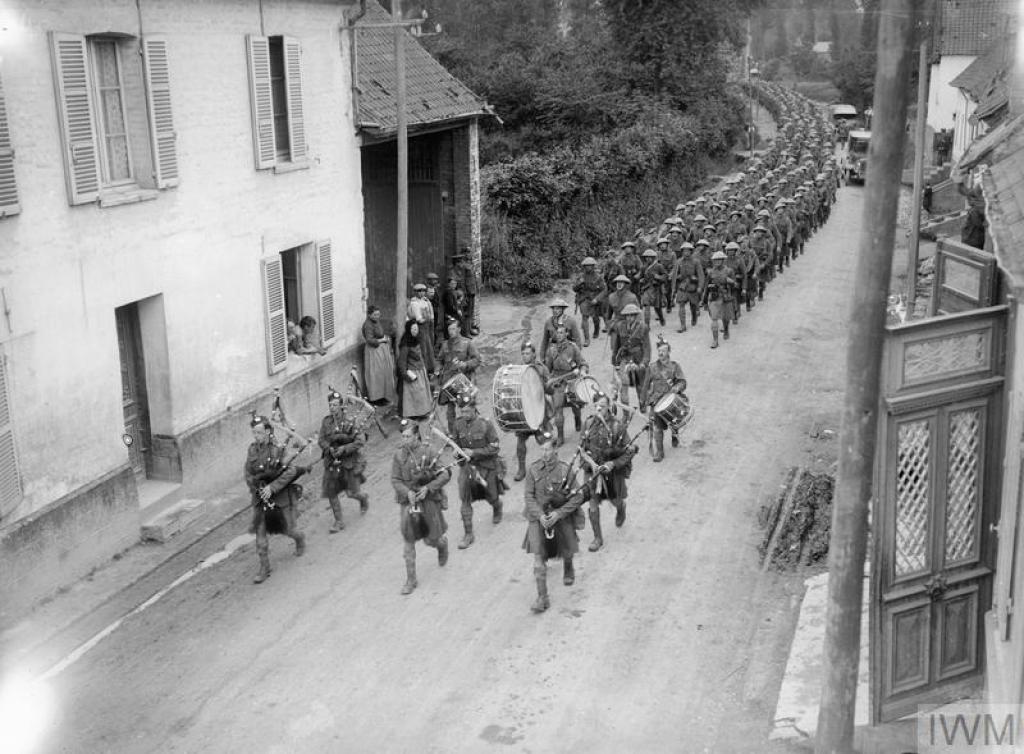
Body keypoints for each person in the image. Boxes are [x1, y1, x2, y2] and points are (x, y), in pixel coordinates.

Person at [522, 434, 587, 613]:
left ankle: (568, 564)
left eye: (548, 449)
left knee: (567, 548)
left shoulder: (565, 470)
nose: (544, 453)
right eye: (542, 449)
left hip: (560, 518)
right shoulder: (533, 469)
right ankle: (543, 598)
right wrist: (539, 515)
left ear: (555, 449)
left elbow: (579, 496)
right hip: (539, 518)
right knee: (538, 560)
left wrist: (559, 513)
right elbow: (528, 495)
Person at [244, 414, 306, 584]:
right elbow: (248, 472)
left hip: (279, 497)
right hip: (260, 498)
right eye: (254, 433)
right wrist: (256, 487)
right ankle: (265, 568)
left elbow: (291, 471)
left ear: (268, 432)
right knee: (260, 536)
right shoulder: (252, 450)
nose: (256, 437)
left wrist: (272, 488)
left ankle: (299, 538)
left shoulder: (278, 450)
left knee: (287, 529)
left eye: (259, 433)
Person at [391, 419, 450, 595]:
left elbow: (445, 474)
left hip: (428, 500)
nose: (404, 439)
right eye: (403, 436)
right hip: (408, 502)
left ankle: (441, 545)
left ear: (416, 435)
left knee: (431, 539)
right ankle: (411, 579)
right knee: (408, 541)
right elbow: (395, 479)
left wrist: (428, 488)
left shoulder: (429, 451)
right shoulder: (398, 455)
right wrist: (406, 492)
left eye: (408, 436)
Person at [579, 393, 636, 551]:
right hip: (592, 471)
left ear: (609, 407)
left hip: (611, 473)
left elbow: (629, 451)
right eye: (596, 405)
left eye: (602, 406)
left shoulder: (617, 426)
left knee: (615, 500)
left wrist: (613, 463)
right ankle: (598, 538)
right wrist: (589, 464)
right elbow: (581, 448)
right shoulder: (588, 423)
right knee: (592, 505)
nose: (598, 408)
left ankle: (620, 507)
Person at [451, 393, 506, 549]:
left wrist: (474, 452)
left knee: (491, 497)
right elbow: (455, 442)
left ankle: (497, 506)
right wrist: (456, 452)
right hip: (467, 468)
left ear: (474, 409)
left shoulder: (485, 424)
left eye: (467, 411)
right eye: (462, 412)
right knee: (465, 500)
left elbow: (495, 448)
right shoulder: (458, 424)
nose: (465, 415)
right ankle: (468, 534)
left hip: (486, 466)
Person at [318, 389, 369, 532]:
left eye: (335, 405)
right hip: (331, 462)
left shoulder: (350, 421)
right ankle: (339, 521)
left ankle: (363, 498)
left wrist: (344, 449)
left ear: (341, 406)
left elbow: (360, 441)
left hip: (348, 462)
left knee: (351, 493)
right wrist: (329, 449)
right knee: (331, 493)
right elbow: (321, 439)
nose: (332, 407)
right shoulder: (326, 422)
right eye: (330, 405)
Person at [513, 340, 552, 481]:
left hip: (539, 411)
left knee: (545, 441)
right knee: (520, 444)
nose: (525, 356)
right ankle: (521, 469)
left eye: (527, 353)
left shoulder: (542, 369)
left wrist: (549, 385)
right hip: (525, 412)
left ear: (534, 354)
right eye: (523, 353)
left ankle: (550, 467)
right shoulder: (518, 371)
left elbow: (551, 390)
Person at [642, 340, 687, 462]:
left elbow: (682, 382)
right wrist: (644, 401)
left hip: (671, 399)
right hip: (657, 401)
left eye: (663, 351)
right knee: (657, 427)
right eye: (659, 351)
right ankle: (660, 452)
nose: (661, 353)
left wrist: (676, 388)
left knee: (674, 421)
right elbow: (645, 385)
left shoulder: (675, 366)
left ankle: (674, 434)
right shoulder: (652, 367)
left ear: (669, 352)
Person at [544, 322, 588, 446]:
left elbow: (583, 363)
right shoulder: (551, 350)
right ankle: (561, 436)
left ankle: (577, 419)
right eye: (557, 332)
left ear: (567, 334)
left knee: (576, 406)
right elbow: (547, 369)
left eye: (562, 332)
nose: (559, 335)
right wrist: (548, 379)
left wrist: (583, 371)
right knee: (558, 408)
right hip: (558, 382)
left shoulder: (573, 347)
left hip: (572, 380)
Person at [437, 316, 480, 434]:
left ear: (459, 329)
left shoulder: (467, 343)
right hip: (449, 382)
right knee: (450, 413)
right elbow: (439, 360)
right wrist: (438, 371)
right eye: (449, 329)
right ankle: (453, 435)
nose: (451, 332)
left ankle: (473, 431)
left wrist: (465, 365)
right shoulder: (445, 345)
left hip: (462, 381)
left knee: (467, 409)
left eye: (453, 329)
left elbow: (477, 360)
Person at [609, 302, 650, 409]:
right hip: (625, 358)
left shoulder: (643, 327)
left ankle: (642, 404)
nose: (629, 318)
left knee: (640, 384)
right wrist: (615, 358)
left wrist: (644, 362)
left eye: (632, 315)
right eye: (627, 315)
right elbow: (617, 344)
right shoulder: (620, 326)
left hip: (638, 358)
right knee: (623, 384)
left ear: (636, 316)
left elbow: (647, 347)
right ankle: (626, 409)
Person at [396, 320, 434, 419]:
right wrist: (405, 374)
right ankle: (414, 414)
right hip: (413, 372)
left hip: (420, 371)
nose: (415, 331)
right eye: (413, 329)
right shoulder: (405, 344)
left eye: (416, 329)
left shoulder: (416, 339)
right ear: (409, 329)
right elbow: (402, 361)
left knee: (421, 394)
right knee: (415, 395)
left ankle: (421, 412)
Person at [362, 305, 398, 406]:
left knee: (383, 374)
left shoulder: (376, 322)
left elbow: (380, 333)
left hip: (381, 350)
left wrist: (384, 338)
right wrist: (381, 340)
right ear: (369, 315)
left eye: (378, 314)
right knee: (376, 374)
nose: (377, 316)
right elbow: (369, 340)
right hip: (373, 352)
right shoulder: (367, 325)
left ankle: (382, 396)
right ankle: (375, 398)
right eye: (375, 314)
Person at [703, 251, 735, 349]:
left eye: (719, 260)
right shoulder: (711, 272)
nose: (716, 262)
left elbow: (735, 285)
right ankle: (715, 340)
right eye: (715, 260)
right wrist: (704, 300)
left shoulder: (729, 271)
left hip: (726, 297)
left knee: (725, 318)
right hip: (714, 297)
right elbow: (706, 287)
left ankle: (726, 330)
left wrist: (729, 281)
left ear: (723, 260)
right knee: (714, 319)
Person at [670, 242, 704, 333]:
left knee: (693, 305)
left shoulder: (696, 262)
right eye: (684, 251)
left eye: (688, 251)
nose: (686, 253)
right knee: (681, 305)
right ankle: (683, 325)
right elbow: (674, 276)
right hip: (682, 286)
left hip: (692, 286)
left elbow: (701, 275)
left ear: (691, 251)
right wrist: (673, 289)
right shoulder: (679, 262)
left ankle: (694, 316)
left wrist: (700, 286)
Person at [572, 257, 606, 347]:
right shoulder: (581, 276)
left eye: (590, 266)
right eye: (586, 266)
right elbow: (574, 289)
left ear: (593, 266)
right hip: (584, 299)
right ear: (584, 266)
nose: (588, 267)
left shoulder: (598, 277)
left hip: (595, 299)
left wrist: (597, 299)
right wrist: (579, 283)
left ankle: (597, 329)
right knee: (584, 317)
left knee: (595, 318)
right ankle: (587, 339)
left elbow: (604, 290)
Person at [639, 248, 667, 328]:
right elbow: (641, 277)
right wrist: (641, 280)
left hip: (656, 289)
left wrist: (657, 277)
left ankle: (661, 318)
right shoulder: (643, 267)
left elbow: (665, 276)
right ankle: (647, 325)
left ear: (653, 257)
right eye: (646, 257)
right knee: (646, 305)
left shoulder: (659, 266)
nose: (648, 259)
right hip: (646, 289)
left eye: (650, 257)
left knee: (657, 308)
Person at [407, 283, 436, 360]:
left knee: (428, 346)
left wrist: (429, 318)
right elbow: (419, 319)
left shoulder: (425, 301)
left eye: (423, 291)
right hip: (420, 327)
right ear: (416, 292)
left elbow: (430, 313)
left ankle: (430, 366)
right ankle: (424, 366)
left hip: (427, 327)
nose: (422, 293)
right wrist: (427, 318)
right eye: (419, 291)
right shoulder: (414, 303)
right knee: (423, 347)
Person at [454, 249, 479, 336]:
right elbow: (463, 280)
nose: (469, 254)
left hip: (472, 291)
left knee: (471, 312)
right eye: (468, 253)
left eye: (469, 252)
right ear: (464, 254)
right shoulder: (463, 266)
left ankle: (470, 328)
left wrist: (476, 288)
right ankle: (465, 332)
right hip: (468, 292)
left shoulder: (470, 264)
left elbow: (473, 278)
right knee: (467, 313)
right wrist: (465, 293)